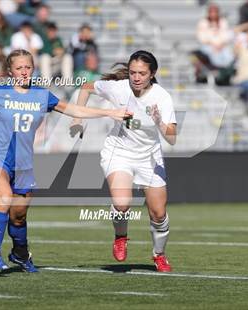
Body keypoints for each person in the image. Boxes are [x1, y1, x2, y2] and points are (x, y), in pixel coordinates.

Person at [0, 49, 132, 273]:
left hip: (24, 165)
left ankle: (19, 253)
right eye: (19, 68)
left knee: (18, 217)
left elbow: (72, 109)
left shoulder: (42, 95)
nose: (24, 71)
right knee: (5, 196)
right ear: (10, 71)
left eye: (28, 67)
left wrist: (109, 113)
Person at [70, 50, 177, 272]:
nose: (136, 77)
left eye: (142, 73)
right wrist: (78, 119)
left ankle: (159, 255)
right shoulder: (118, 88)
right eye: (132, 72)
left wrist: (158, 121)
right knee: (121, 203)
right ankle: (121, 236)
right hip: (119, 152)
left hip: (149, 157)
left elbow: (172, 138)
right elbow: (86, 87)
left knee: (158, 213)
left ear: (152, 74)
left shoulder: (162, 97)